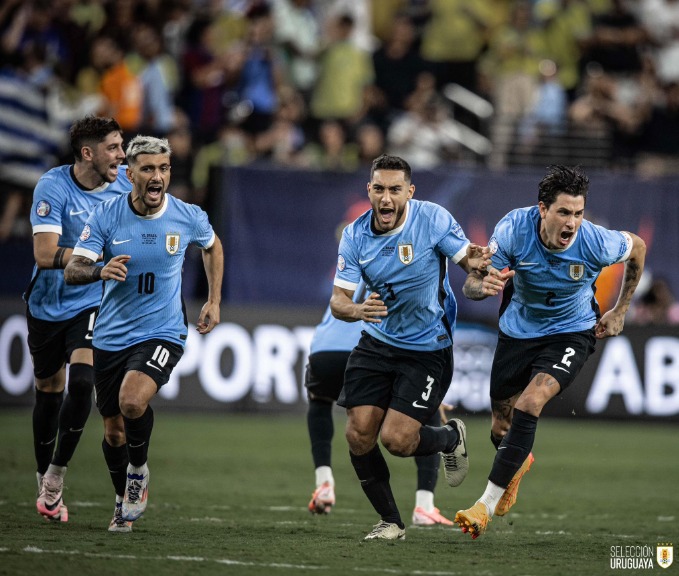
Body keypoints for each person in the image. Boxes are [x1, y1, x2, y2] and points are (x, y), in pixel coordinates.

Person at [454, 165, 646, 539]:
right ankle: (517, 461)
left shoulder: (595, 241)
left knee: (532, 400)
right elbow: (473, 285)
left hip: (572, 332)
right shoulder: (513, 230)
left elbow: (637, 247)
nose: (572, 223)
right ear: (542, 209)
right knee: (501, 426)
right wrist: (483, 284)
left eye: (578, 213)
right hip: (517, 331)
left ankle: (484, 506)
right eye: (563, 212)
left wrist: (620, 309)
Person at [64, 135, 223, 532]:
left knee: (132, 402)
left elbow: (212, 245)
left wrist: (213, 299)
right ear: (130, 173)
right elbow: (73, 269)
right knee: (114, 430)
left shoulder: (186, 215)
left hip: (163, 330)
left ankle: (139, 470)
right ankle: (122, 500)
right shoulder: (106, 216)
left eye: (164, 168)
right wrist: (99, 270)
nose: (157, 176)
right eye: (148, 169)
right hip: (111, 336)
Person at [329, 154, 490, 540]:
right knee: (357, 434)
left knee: (397, 441)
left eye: (395, 190)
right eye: (379, 189)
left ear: (409, 192)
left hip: (427, 347)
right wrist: (356, 309)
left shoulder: (431, 219)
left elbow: (466, 257)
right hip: (377, 342)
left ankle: (451, 437)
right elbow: (338, 300)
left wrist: (479, 266)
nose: (386, 198)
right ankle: (391, 522)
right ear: (369, 190)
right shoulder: (354, 236)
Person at [26, 116, 131, 523]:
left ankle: (56, 474)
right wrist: (90, 254)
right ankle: (42, 477)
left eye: (123, 148)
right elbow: (43, 254)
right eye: (114, 148)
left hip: (92, 298)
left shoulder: (126, 184)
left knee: (83, 383)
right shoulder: (53, 187)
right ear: (87, 153)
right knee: (49, 392)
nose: (121, 156)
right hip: (47, 303)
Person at [306, 280, 453, 527]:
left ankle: (324, 483)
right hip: (370, 349)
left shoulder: (352, 274)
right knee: (424, 413)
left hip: (324, 349)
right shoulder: (400, 277)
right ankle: (424, 505)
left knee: (319, 401)